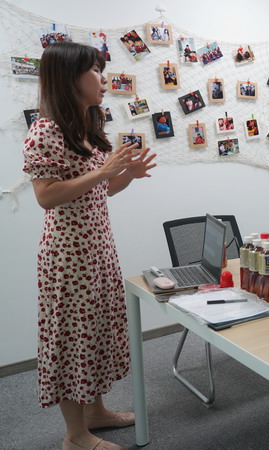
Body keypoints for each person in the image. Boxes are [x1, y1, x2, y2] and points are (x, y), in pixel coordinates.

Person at [22, 42, 156, 450]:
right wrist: (103, 171)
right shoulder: (45, 130)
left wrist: (127, 175)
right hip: (68, 257)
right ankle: (75, 435)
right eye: (94, 70)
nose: (103, 79)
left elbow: (102, 190)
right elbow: (46, 196)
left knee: (95, 333)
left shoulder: (86, 126)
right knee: (71, 340)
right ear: (69, 77)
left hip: (98, 250)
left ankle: (95, 412)